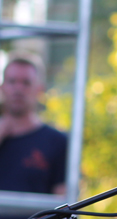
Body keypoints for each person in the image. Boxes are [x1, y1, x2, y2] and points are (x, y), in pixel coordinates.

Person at [0, 53, 67, 204]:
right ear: (2, 87)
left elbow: (64, 204)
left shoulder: (58, 141)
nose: (18, 89)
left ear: (40, 89)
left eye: (26, 82)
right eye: (12, 81)